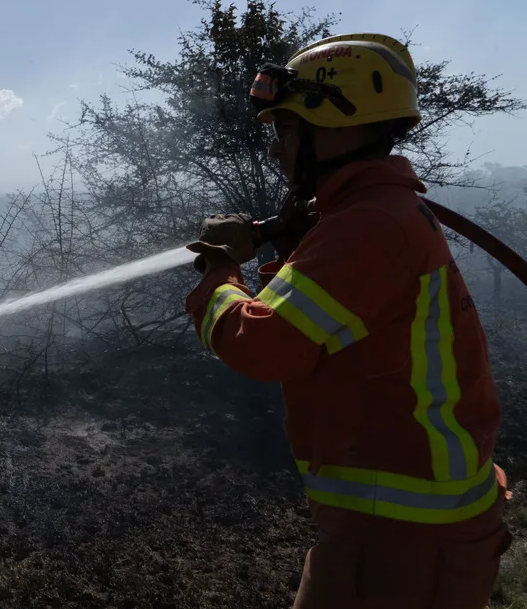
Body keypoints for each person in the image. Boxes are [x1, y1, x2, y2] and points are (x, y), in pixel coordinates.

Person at [184, 33, 513, 608]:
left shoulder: (369, 226)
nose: (276, 149)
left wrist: (220, 275)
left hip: (401, 544)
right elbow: (328, 321)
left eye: (286, 130)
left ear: (338, 126)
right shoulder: (372, 214)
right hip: (400, 526)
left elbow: (267, 346)